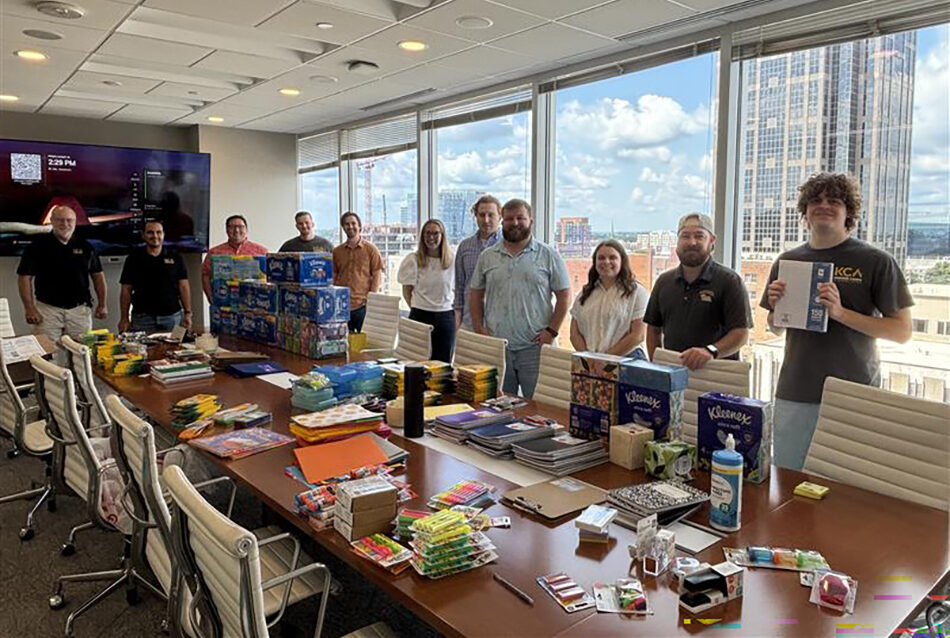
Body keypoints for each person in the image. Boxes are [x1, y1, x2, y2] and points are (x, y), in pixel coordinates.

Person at [762, 172, 913, 470]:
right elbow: (774, 327)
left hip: (853, 393)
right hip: (796, 390)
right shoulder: (788, 261)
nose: (824, 206)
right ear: (805, 211)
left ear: (849, 212)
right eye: (816, 200)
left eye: (834, 201)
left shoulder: (875, 261)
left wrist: (841, 313)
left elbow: (902, 331)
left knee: (845, 483)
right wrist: (778, 311)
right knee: (789, 478)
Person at [469, 199, 570, 398]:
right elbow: (475, 295)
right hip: (498, 347)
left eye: (520, 218)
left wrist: (551, 331)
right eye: (509, 219)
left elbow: (564, 296)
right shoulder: (487, 256)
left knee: (537, 406)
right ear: (502, 221)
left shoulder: (548, 255)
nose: (515, 223)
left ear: (530, 221)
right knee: (496, 406)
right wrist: (479, 329)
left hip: (535, 348)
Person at [644, 213, 752, 370]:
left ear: (712, 240)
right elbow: (653, 330)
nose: (692, 242)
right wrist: (657, 367)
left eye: (699, 236)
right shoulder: (664, 282)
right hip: (673, 372)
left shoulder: (730, 281)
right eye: (685, 236)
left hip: (715, 375)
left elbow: (741, 334)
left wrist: (710, 351)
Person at [17, 205, 107, 344]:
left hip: (80, 311)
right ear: (52, 221)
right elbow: (24, 278)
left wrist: (102, 304)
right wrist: (29, 309)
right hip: (47, 310)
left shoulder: (86, 247)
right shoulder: (36, 247)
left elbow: (98, 276)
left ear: (75, 222)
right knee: (47, 353)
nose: (65, 224)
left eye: (69, 220)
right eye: (60, 220)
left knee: (82, 352)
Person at [570, 240, 648, 356]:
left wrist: (605, 360)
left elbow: (638, 335)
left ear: (622, 261)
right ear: (595, 262)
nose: (606, 262)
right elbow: (574, 334)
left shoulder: (636, 292)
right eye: (601, 258)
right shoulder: (584, 294)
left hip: (627, 359)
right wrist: (588, 358)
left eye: (612, 258)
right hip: (591, 361)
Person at [118, 219, 192, 334]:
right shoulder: (133, 259)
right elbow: (126, 290)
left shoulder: (176, 257)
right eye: (150, 232)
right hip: (142, 318)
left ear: (163, 234)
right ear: (143, 235)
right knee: (142, 346)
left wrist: (187, 313)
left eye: (159, 232)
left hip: (172, 317)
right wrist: (124, 318)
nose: (155, 236)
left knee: (175, 345)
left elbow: (183, 286)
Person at [398, 219, 456, 363]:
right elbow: (407, 291)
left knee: (442, 366)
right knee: (416, 363)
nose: (431, 237)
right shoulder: (413, 260)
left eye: (435, 233)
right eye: (427, 233)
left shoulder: (452, 261)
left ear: (442, 236)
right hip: (420, 316)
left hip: (445, 318)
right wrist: (419, 307)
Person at [454, 194, 502, 329]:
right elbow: (459, 286)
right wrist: (457, 322)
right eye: (481, 215)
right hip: (469, 322)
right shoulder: (465, 247)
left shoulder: (508, 246)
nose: (486, 220)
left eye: (491, 215)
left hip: (500, 323)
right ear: (475, 216)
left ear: (500, 216)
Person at [333, 212, 383, 332]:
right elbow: (334, 276)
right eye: (346, 224)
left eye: (353, 223)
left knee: (365, 340)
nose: (350, 226)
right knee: (343, 340)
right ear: (343, 227)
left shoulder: (371, 250)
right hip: (342, 306)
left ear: (359, 226)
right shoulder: (337, 251)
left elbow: (377, 275)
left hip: (363, 306)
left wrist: (371, 300)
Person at [201, 214, 268, 302]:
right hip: (223, 301)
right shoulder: (214, 252)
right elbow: (205, 275)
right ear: (226, 230)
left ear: (246, 230)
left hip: (253, 303)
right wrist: (210, 297)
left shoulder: (262, 252)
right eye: (232, 227)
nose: (236, 230)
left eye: (240, 227)